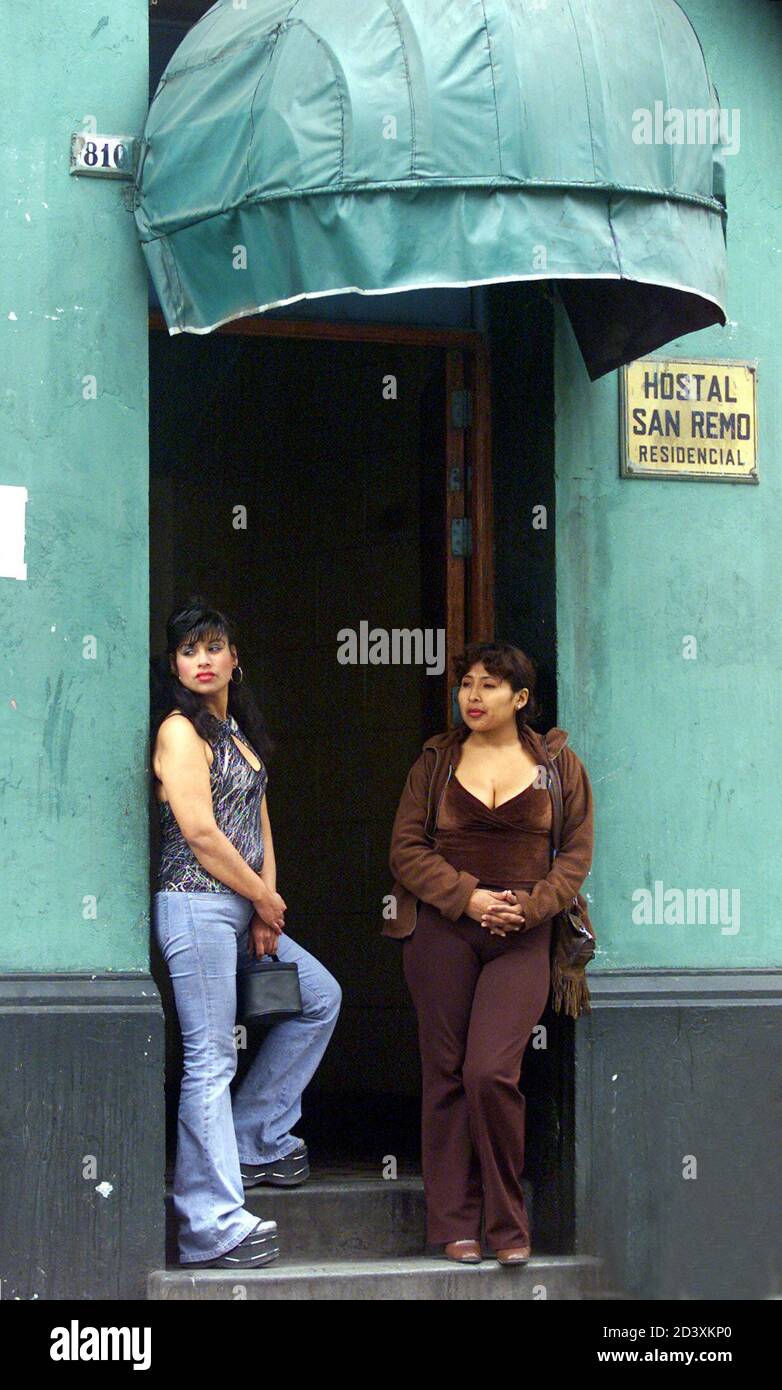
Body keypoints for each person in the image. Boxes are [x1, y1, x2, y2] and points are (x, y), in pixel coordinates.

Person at [386, 640, 594, 1265]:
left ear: (521, 698)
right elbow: (406, 850)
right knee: (446, 1075)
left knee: (490, 1072)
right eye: (466, 684)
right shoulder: (436, 761)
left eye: (490, 686)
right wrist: (469, 898)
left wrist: (529, 908)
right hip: (442, 932)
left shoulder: (559, 764)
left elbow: (575, 855)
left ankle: (508, 1222)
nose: (473, 697)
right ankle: (454, 1223)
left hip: (523, 937)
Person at [150, 596, 341, 1269]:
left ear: (235, 658)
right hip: (196, 907)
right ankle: (210, 1225)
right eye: (188, 651)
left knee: (318, 997)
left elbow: (259, 823)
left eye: (213, 647)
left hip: (244, 907)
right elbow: (201, 833)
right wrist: (261, 896)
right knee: (211, 1058)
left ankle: (253, 1138)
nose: (202, 661)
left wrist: (265, 905)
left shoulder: (238, 733)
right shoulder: (180, 732)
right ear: (175, 665)